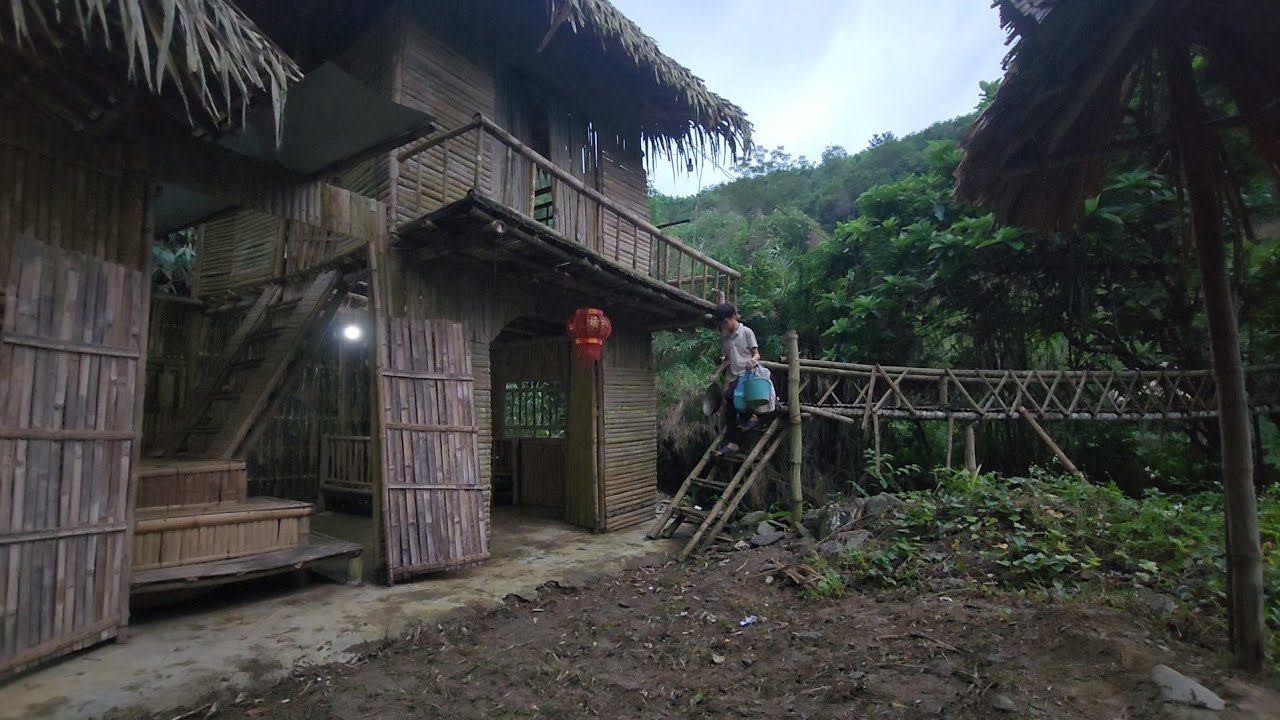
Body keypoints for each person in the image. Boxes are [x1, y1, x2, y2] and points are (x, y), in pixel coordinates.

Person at [710, 303, 761, 456]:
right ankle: (733, 443)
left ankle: (752, 416)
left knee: (729, 396)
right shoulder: (725, 337)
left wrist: (754, 360)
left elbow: (757, 354)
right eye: (721, 324)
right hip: (733, 375)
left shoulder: (746, 332)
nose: (724, 326)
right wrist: (717, 373)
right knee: (729, 408)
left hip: (747, 375)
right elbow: (727, 359)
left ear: (733, 317)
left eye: (725, 322)